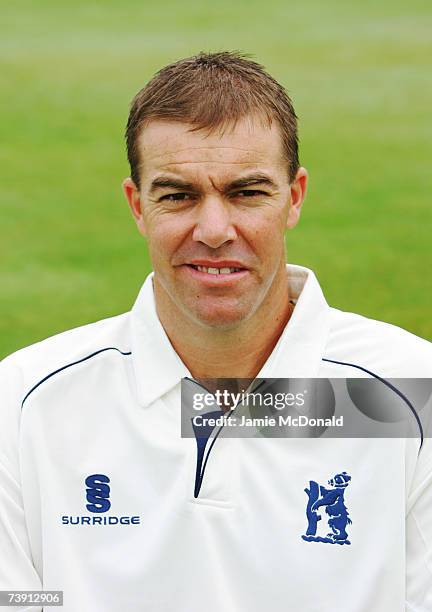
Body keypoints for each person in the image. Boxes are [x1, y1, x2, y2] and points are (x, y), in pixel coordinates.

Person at [0, 51, 431, 612]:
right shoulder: (24, 401)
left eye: (246, 193)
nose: (213, 230)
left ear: (293, 197)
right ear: (137, 205)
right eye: (177, 195)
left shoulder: (412, 392)